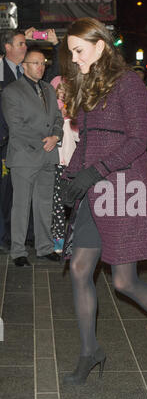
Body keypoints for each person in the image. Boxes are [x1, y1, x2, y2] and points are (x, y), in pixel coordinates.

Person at [59, 17, 147, 385]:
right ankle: (90, 351)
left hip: (122, 190)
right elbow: (86, 141)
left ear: (100, 46)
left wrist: (95, 171)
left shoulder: (129, 84)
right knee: (79, 269)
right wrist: (69, 177)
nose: (74, 59)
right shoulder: (88, 85)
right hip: (92, 189)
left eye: (79, 51)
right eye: (71, 52)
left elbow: (138, 141)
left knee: (123, 282)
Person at [1, 48, 63, 266]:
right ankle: (18, 251)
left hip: (48, 155)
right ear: (24, 66)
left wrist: (56, 136)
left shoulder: (48, 89)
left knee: (44, 204)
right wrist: (44, 141)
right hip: (25, 156)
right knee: (21, 205)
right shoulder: (11, 91)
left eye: (43, 63)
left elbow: (58, 118)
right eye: (35, 63)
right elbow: (16, 127)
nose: (41, 67)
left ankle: (44, 247)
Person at [0, 29, 27, 253]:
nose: (25, 47)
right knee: (4, 190)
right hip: (4, 141)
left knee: (18, 191)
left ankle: (15, 234)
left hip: (24, 143)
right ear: (7, 47)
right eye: (20, 44)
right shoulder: (0, 70)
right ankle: (2, 236)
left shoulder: (27, 72)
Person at [50, 75, 79, 254]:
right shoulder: (49, 112)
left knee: (74, 201)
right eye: (58, 90)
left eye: (65, 90)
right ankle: (58, 238)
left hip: (71, 164)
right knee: (57, 204)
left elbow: (79, 137)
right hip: (53, 164)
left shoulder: (75, 113)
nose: (62, 94)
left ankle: (75, 236)